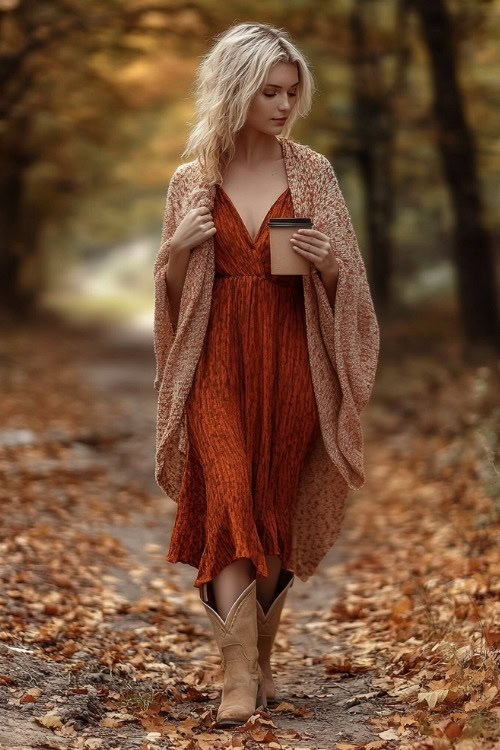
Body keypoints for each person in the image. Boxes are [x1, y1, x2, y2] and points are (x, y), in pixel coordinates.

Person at [153, 21, 380, 728]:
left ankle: (261, 659)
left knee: (273, 513)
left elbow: (353, 288)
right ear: (236, 90)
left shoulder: (312, 172)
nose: (284, 104)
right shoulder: (192, 180)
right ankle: (236, 678)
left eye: (291, 92)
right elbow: (169, 292)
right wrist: (179, 253)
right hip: (214, 357)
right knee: (228, 502)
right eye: (269, 91)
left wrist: (328, 263)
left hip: (293, 357)